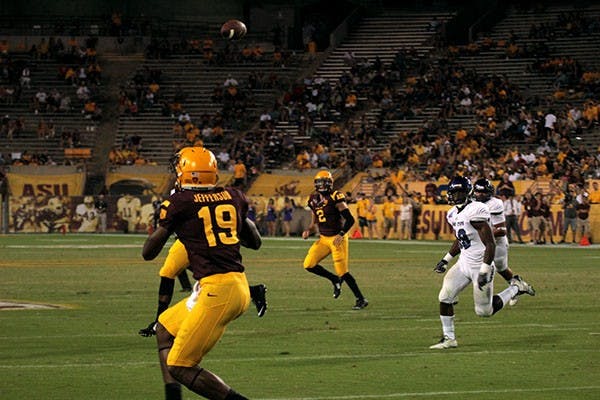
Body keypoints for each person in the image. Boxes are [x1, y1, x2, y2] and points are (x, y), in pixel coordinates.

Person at [142, 147, 261, 400]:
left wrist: (164, 224)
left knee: (180, 365)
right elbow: (255, 242)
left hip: (219, 291)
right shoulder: (233, 195)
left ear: (187, 174)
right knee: (164, 329)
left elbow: (148, 253)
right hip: (232, 284)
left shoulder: (179, 203)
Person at [430, 176, 535, 349]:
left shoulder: (476, 210)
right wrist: (445, 260)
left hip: (480, 264)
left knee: (484, 312)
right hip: (464, 263)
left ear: (467, 193)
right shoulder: (452, 213)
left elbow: (490, 243)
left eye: (460, 192)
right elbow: (461, 238)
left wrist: (484, 271)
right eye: (453, 192)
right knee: (445, 297)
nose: (456, 196)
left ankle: (516, 287)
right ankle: (449, 338)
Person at [301, 170, 368, 310]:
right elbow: (314, 223)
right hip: (324, 239)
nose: (323, 185)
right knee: (308, 264)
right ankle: (334, 280)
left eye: (325, 182)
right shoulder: (313, 199)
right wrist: (308, 230)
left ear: (330, 183)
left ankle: (361, 299)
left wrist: (342, 234)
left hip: (338, 238)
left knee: (342, 271)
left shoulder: (335, 196)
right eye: (320, 182)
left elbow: (350, 219)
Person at [472, 178, 535, 307]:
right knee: (477, 265)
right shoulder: (473, 203)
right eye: (477, 192)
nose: (479, 195)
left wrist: (479, 235)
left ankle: (515, 288)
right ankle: (518, 285)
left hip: (497, 243)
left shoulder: (495, 204)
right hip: (484, 242)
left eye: (483, 192)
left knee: (498, 268)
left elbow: (501, 230)